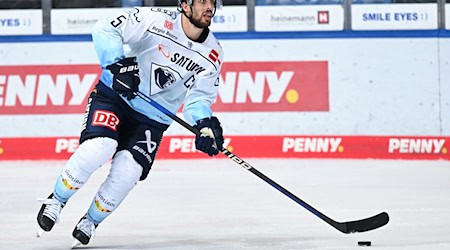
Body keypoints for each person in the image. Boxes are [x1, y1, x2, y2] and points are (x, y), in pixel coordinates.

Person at [36, 0, 225, 247]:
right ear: (185, 5)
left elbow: (199, 99)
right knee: (99, 147)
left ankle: (90, 221)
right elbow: (105, 27)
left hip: (153, 119)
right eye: (202, 0)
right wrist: (117, 64)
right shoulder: (156, 19)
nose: (209, 6)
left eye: (212, 1)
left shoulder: (213, 53)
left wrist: (205, 125)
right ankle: (57, 200)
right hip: (116, 97)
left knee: (128, 171)